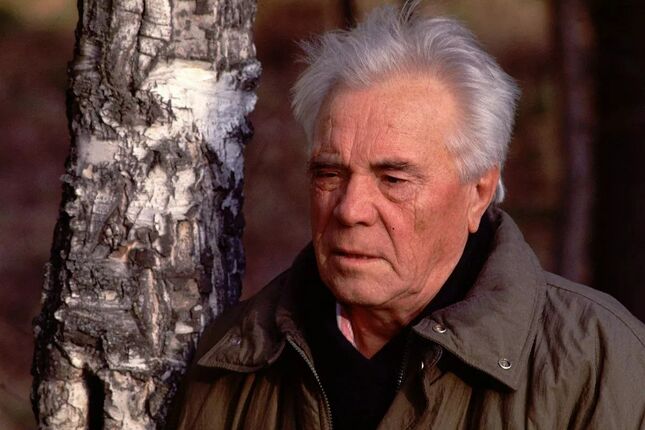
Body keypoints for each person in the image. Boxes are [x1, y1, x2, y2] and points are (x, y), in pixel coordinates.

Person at [167, 4, 645, 429]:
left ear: (478, 192)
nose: (350, 210)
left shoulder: (600, 365)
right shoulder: (232, 363)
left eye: (393, 179)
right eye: (330, 173)